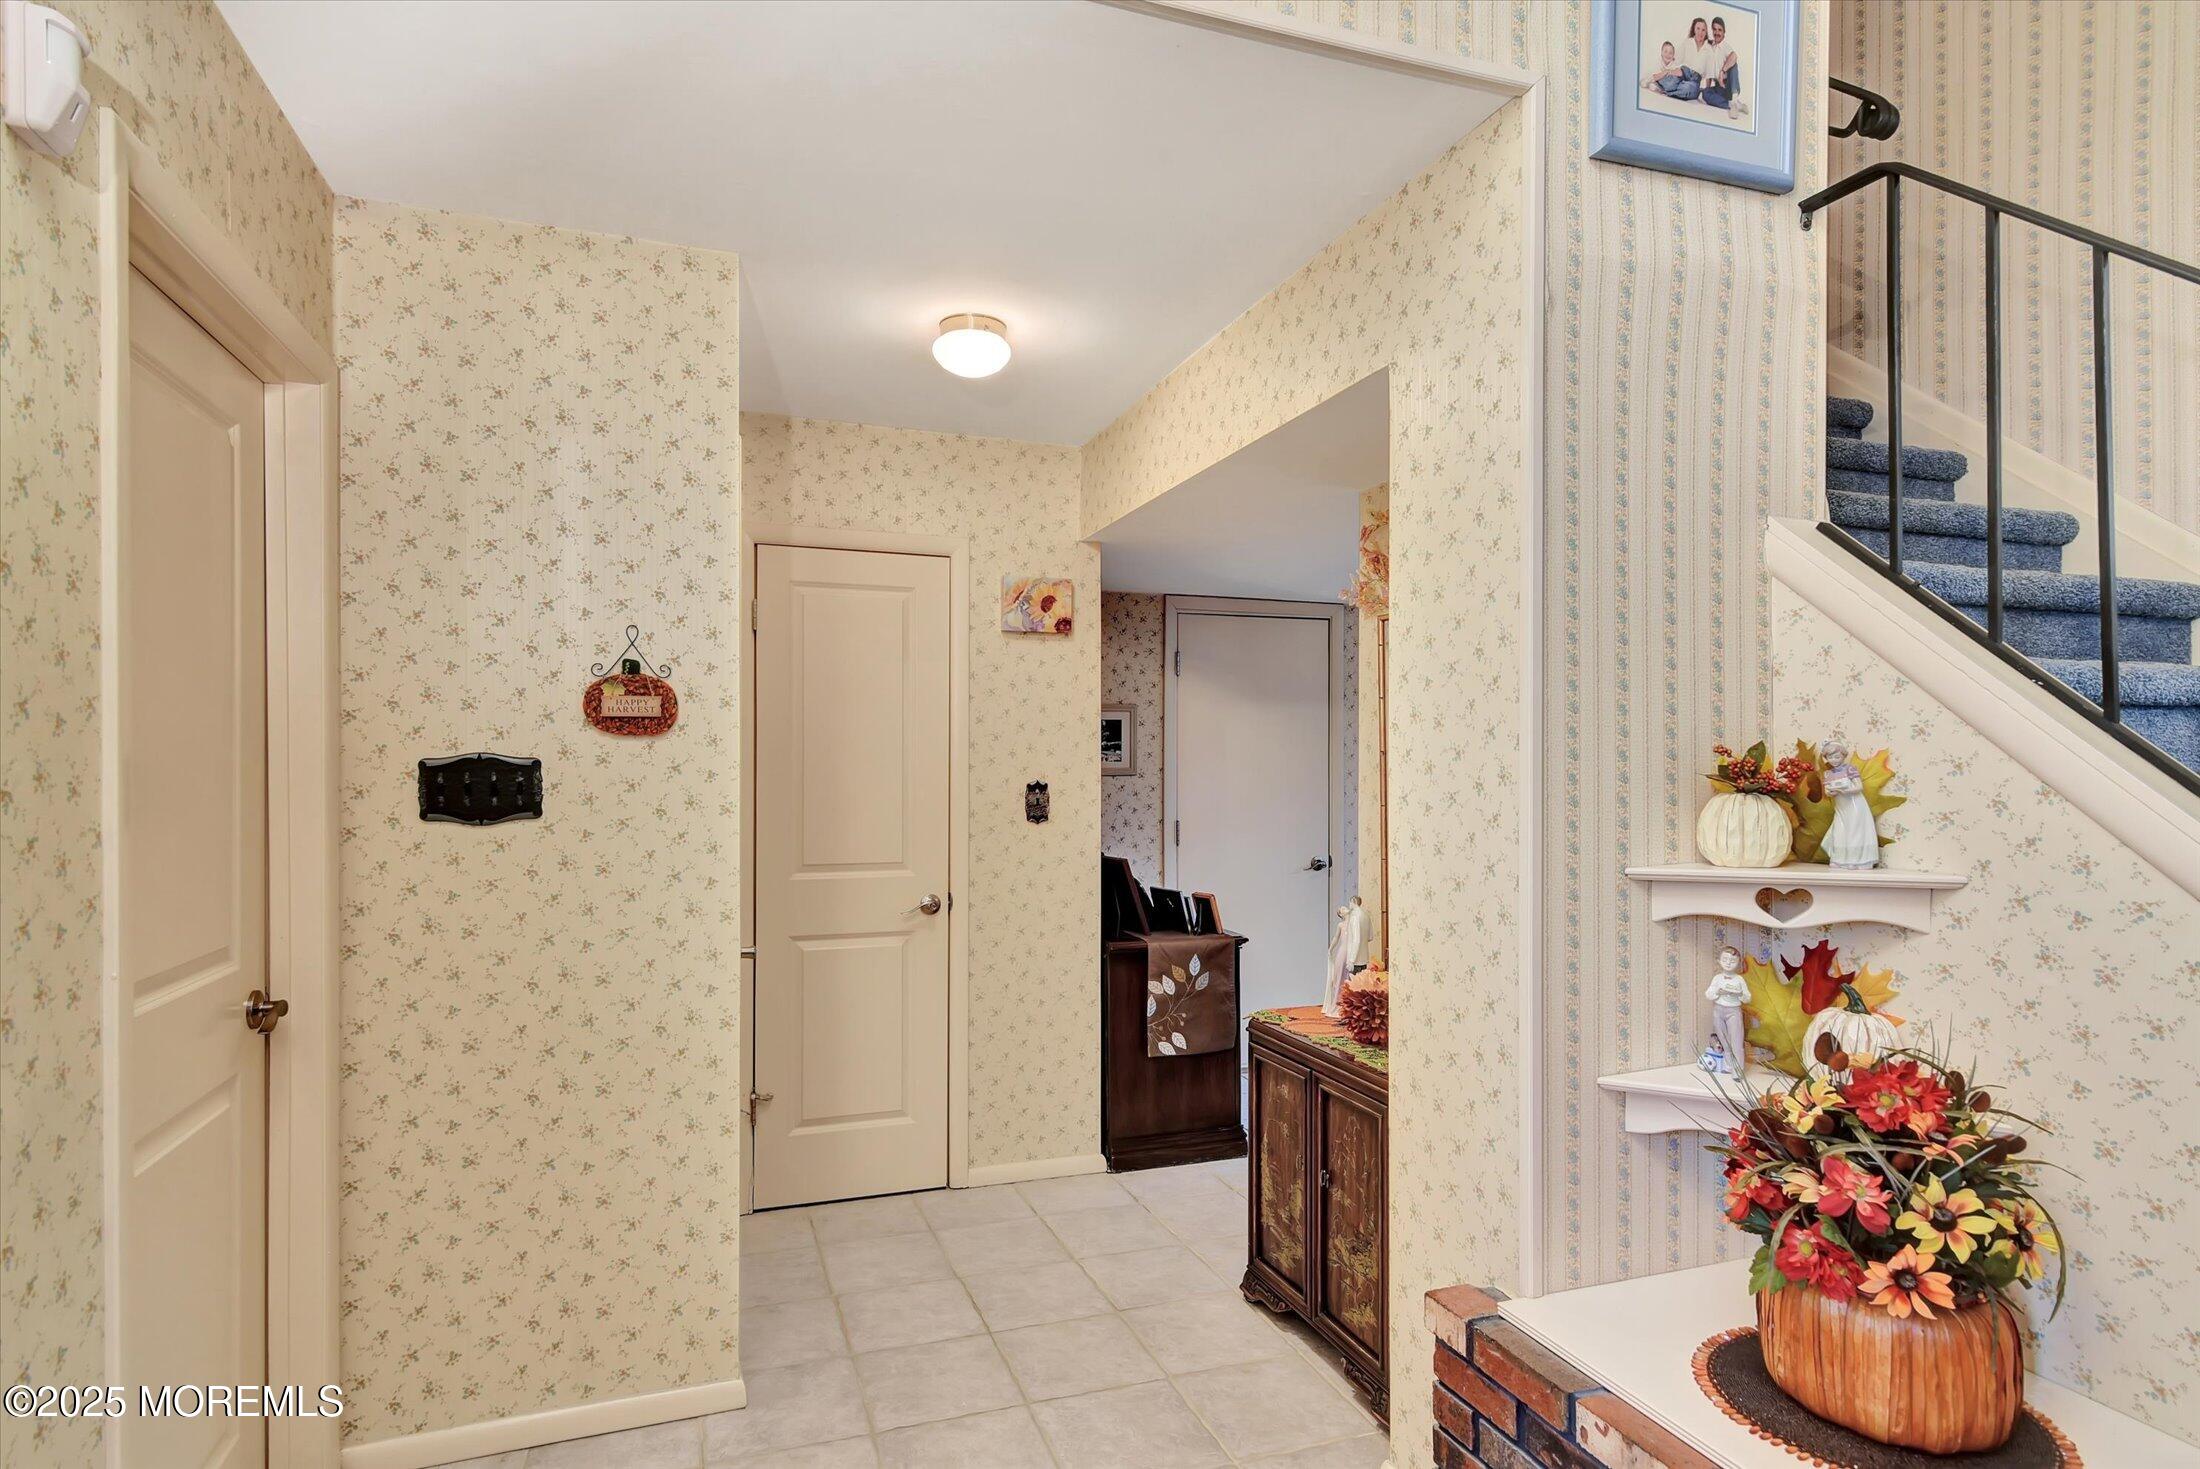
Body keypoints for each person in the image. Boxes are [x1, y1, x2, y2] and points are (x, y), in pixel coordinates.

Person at [1700, 16, 1749, 116]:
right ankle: (1734, 105)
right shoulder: (1710, 47)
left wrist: (1722, 71)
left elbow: (1734, 56)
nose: (1717, 32)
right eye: (1714, 29)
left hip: (1729, 86)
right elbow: (1709, 69)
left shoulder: (1725, 46)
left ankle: (1734, 101)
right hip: (1719, 87)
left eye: (1720, 30)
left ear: (1724, 32)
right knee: (1705, 93)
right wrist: (1708, 89)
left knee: (1733, 65)